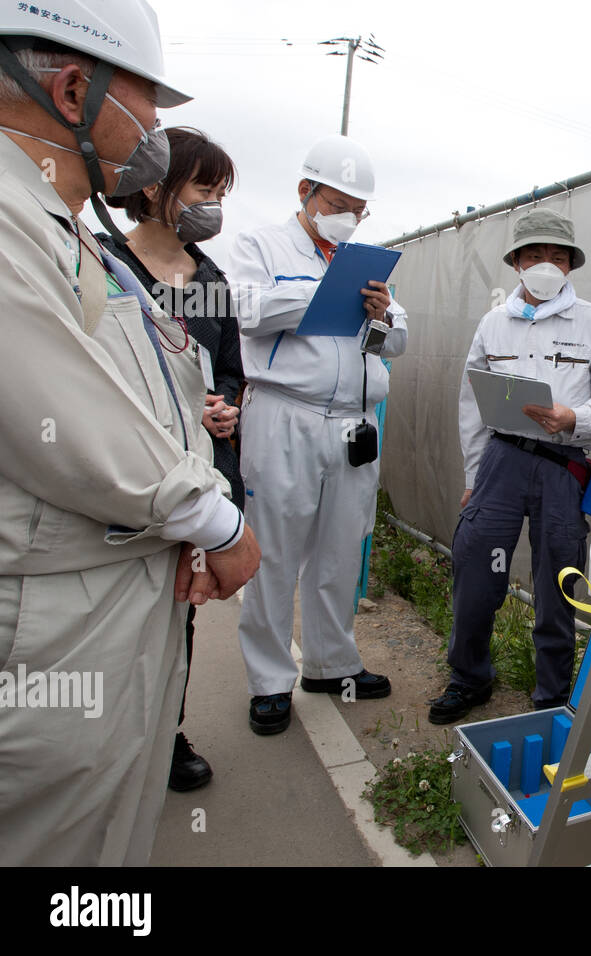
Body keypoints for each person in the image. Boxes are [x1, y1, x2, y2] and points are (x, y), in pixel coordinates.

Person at [0, 1, 260, 865]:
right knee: (58, 842)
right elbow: (64, 414)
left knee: (111, 819)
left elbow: (156, 378)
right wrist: (215, 519)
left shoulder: (62, 226)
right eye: (149, 109)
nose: (154, 132)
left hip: (111, 582)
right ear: (75, 89)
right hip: (52, 618)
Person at [230, 134, 407, 736]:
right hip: (286, 415)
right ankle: (269, 681)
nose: (349, 217)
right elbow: (248, 311)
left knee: (340, 548)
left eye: (359, 208)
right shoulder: (260, 244)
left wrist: (381, 314)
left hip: (354, 422)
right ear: (305, 191)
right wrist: (323, 294)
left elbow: (400, 340)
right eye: (338, 202)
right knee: (274, 551)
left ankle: (332, 664)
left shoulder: (363, 260)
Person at [428, 209, 591, 724]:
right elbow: (472, 405)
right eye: (535, 255)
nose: (546, 264)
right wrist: (474, 478)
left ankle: (550, 698)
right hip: (501, 461)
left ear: (571, 266)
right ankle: (469, 677)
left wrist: (575, 418)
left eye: (558, 257)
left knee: (558, 579)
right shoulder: (494, 323)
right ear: (516, 262)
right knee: (476, 567)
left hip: (563, 465)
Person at [100, 126, 243, 792]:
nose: (213, 204)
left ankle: (165, 733)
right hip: (119, 478)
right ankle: (103, 744)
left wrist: (228, 409)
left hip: (195, 476)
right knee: (110, 616)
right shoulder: (100, 262)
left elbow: (231, 371)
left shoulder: (210, 277)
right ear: (155, 184)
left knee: (178, 610)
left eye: (220, 193)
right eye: (204, 188)